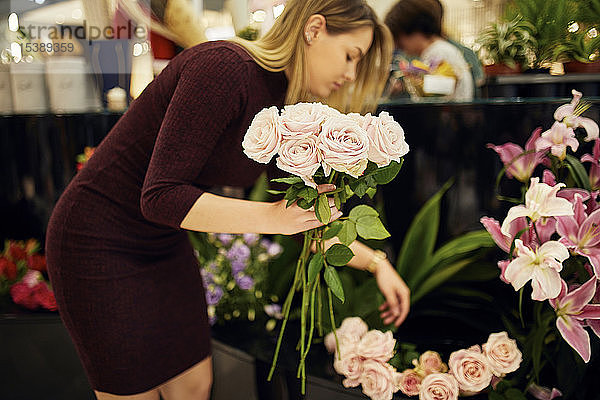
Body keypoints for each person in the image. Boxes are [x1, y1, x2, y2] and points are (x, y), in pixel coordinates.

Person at [45, 0, 411, 399]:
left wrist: (376, 263)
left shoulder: (288, 103)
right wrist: (273, 216)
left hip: (163, 243)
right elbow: (161, 196)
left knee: (194, 386)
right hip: (95, 239)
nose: (350, 73)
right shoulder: (224, 67)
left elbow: (300, 224)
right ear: (314, 29)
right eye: (350, 56)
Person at [385, 0, 474, 101]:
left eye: (399, 39)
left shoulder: (439, 52)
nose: (399, 46)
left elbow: (439, 92)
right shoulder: (439, 49)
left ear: (415, 30)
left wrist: (410, 83)